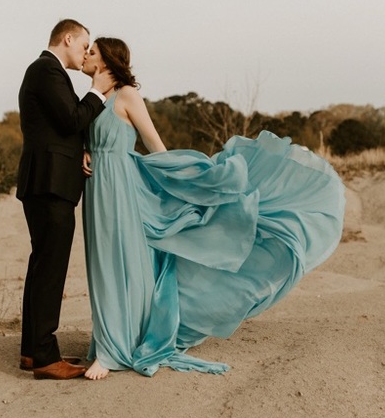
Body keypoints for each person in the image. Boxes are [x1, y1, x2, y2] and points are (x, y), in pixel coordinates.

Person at [80, 37, 346, 380]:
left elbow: (155, 145)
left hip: (123, 189)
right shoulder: (92, 99)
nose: (86, 55)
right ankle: (109, 339)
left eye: (92, 52)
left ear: (105, 61)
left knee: (121, 265)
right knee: (101, 265)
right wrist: (82, 151)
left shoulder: (127, 95)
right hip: (97, 189)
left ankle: (111, 351)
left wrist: (190, 182)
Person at [16, 19, 114, 380]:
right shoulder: (46, 70)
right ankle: (44, 356)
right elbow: (72, 119)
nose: (86, 52)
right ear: (67, 38)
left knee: (42, 266)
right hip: (49, 185)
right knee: (50, 268)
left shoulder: (47, 72)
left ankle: (31, 350)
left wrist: (83, 150)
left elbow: (63, 128)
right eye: (84, 44)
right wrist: (100, 92)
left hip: (47, 183)